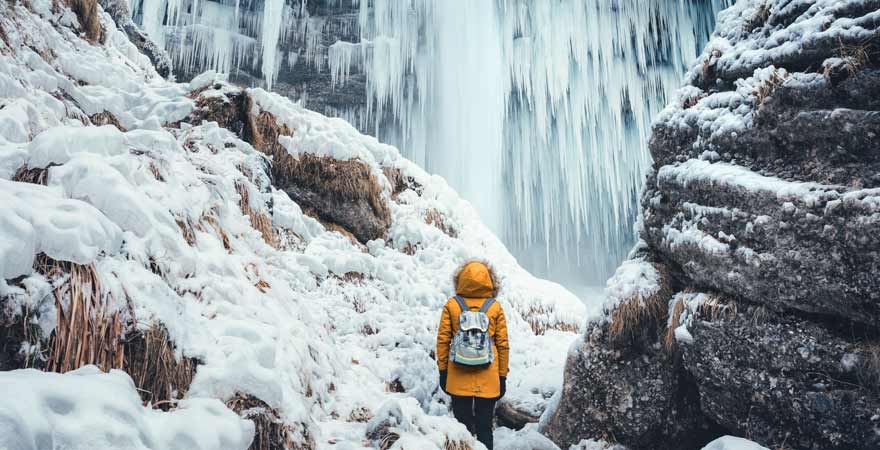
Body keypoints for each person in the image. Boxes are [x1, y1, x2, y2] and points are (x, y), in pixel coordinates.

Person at [436, 260, 509, 450]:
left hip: (458, 377)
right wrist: (502, 376)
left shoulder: (452, 305)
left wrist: (443, 371)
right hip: (489, 378)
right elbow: (503, 345)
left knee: (462, 427)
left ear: (460, 279)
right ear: (489, 280)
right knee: (485, 428)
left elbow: (443, 341)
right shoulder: (494, 307)